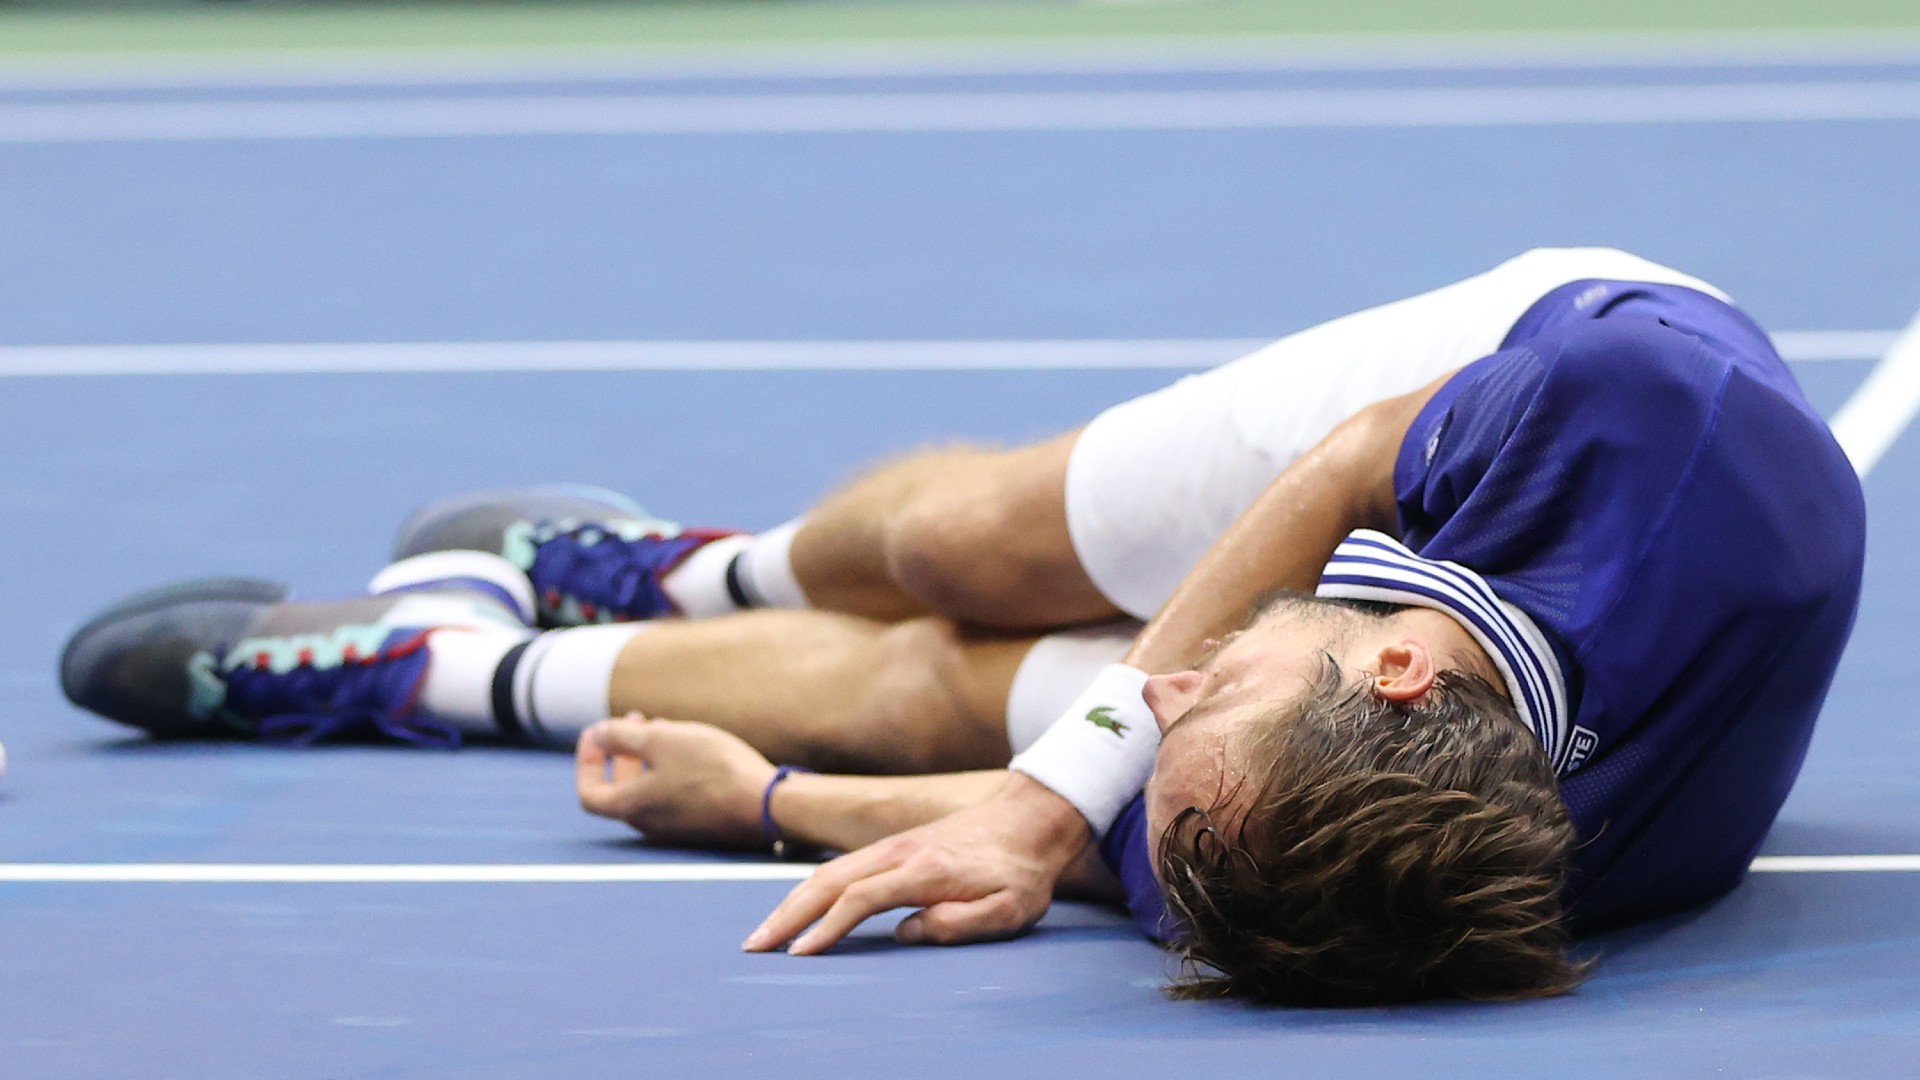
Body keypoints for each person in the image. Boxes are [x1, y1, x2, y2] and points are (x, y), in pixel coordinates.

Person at [59, 248, 1866, 1005]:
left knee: (934, 704)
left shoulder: (1367, 870)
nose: (1173, 675)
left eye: (1186, 719)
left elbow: (1074, 861)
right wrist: (1060, 775)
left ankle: (446, 672)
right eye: (1207, 697)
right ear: (1396, 663)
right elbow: (1347, 468)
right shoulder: (1644, 414)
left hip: (1454, 621)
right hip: (1516, 371)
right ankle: (698, 565)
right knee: (959, 552)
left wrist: (767, 800)